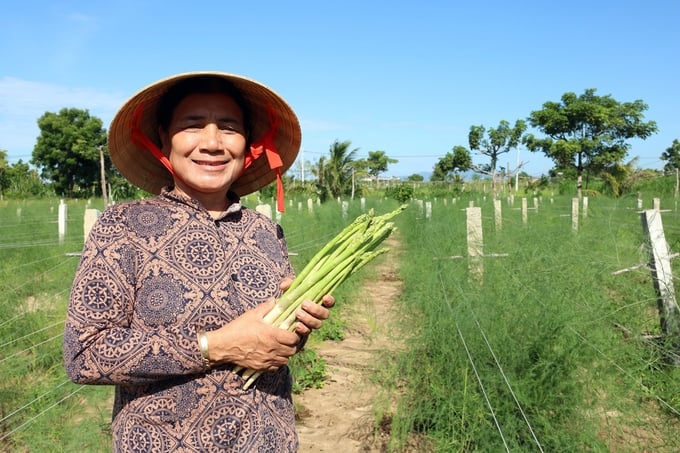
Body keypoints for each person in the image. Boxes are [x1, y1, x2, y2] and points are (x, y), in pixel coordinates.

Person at [63, 72, 334, 452]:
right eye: (192, 126)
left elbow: (273, 346)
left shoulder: (265, 231)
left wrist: (297, 327)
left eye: (229, 127)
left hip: (269, 440)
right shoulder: (124, 227)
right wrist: (216, 346)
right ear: (163, 138)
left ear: (247, 143)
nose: (212, 143)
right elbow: (84, 355)